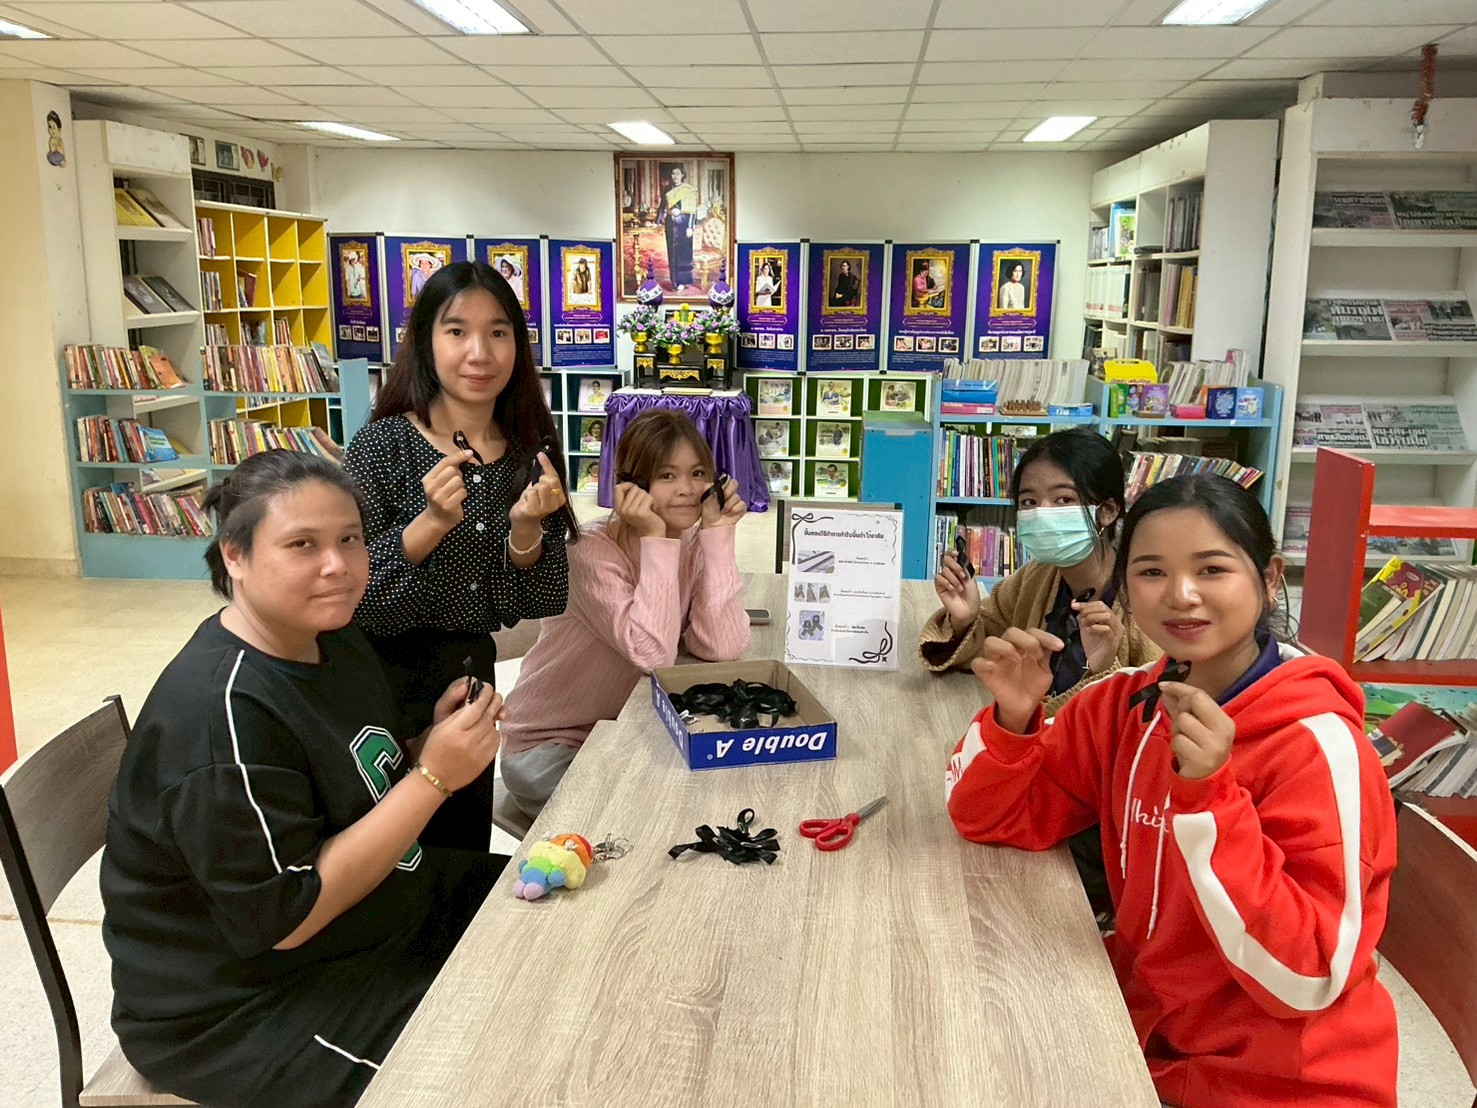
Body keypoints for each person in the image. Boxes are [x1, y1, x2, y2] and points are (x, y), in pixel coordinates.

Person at [946, 474, 1397, 1107]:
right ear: (1125, 586)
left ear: (1269, 578)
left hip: (1282, 1082)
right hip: (1150, 1040)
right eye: (1152, 572)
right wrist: (1014, 721)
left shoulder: (1318, 746)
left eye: (1212, 569)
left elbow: (1309, 979)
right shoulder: (1125, 704)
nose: (1182, 596)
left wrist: (1209, 799)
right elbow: (987, 818)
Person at [100, 451, 509, 1108]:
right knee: (501, 1064)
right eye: (302, 545)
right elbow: (288, 916)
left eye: (350, 539)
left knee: (550, 926)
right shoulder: (220, 717)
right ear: (234, 555)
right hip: (243, 1010)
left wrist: (425, 745)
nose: (338, 565)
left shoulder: (332, 637)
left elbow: (341, 775)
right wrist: (433, 777)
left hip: (372, 922)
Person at [342, 260, 577, 849]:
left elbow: (542, 597)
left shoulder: (529, 449)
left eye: (498, 332)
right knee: (384, 850)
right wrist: (430, 524)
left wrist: (525, 529)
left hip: (469, 675)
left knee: (460, 852)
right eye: (457, 331)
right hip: (377, 679)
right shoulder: (383, 444)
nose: (479, 352)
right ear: (426, 340)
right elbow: (352, 598)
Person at [497, 410, 749, 832]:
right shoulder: (590, 551)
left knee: (716, 795)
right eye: (666, 476)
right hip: (549, 747)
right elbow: (652, 655)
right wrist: (654, 538)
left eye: (698, 473)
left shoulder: (691, 542)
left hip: (627, 731)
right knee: (658, 824)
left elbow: (721, 647)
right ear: (631, 485)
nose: (687, 490)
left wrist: (718, 533)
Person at [657, 164, 699, 290]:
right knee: (673, 252)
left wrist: (690, 227)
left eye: (678, 174)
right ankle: (675, 282)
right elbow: (662, 207)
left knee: (684, 253)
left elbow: (692, 211)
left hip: (684, 224)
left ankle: (684, 281)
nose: (675, 176)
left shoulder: (688, 190)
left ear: (682, 175)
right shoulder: (667, 189)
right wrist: (658, 221)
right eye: (673, 174)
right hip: (671, 224)